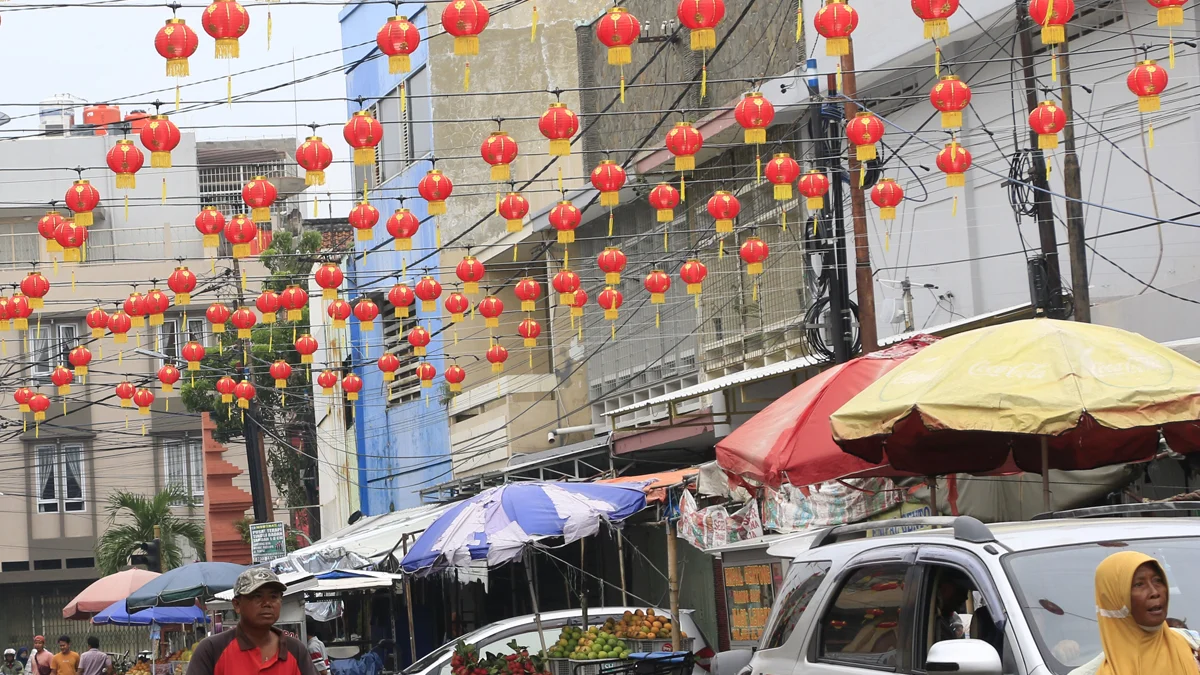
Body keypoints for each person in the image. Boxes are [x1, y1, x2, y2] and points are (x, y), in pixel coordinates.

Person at [1068, 551, 1200, 675]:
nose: (1154, 592)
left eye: (1158, 580)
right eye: (1139, 584)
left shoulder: (1191, 646)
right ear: (1116, 598)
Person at [185, 568, 317, 675]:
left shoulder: (295, 649)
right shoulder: (212, 649)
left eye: (274, 596)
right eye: (257, 596)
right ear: (237, 604)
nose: (267, 603)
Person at [933, 571, 971, 643]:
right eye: (960, 591)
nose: (965, 597)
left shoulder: (952, 619)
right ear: (944, 589)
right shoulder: (934, 622)